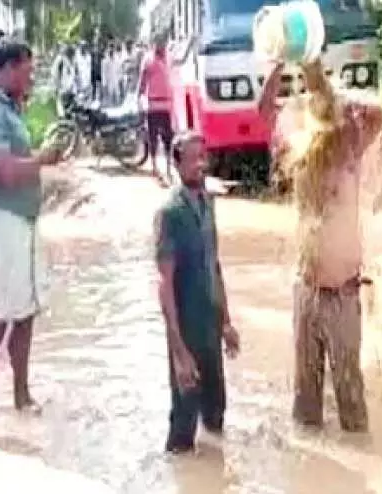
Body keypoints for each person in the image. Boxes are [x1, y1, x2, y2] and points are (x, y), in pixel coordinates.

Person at [257, 57, 382, 432]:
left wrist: (329, 89)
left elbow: (379, 111)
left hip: (343, 293)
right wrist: (279, 65)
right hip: (307, 289)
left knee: (351, 399)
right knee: (305, 400)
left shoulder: (350, 148)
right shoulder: (300, 151)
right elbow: (265, 110)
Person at [0, 37, 62, 441]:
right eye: (25, 70)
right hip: (0, 226)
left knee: (24, 313)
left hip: (20, 223)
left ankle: (21, 395)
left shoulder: (7, 106)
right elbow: (4, 171)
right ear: (4, 69)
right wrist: (42, 159)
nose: (31, 77)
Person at [154, 130, 240, 453]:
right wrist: (178, 352)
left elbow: (214, 266)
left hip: (211, 328)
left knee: (216, 415)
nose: (200, 165)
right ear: (176, 165)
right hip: (186, 331)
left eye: (202, 157)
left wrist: (227, 322)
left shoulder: (207, 203)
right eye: (192, 160)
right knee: (183, 428)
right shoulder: (169, 214)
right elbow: (164, 285)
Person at [139, 37, 174, 183]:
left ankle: (168, 169)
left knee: (168, 139)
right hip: (153, 105)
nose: (162, 47)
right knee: (153, 138)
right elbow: (142, 81)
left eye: (163, 44)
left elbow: (181, 60)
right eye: (160, 44)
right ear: (155, 45)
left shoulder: (168, 58)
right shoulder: (148, 60)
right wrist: (140, 99)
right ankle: (154, 167)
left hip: (166, 105)